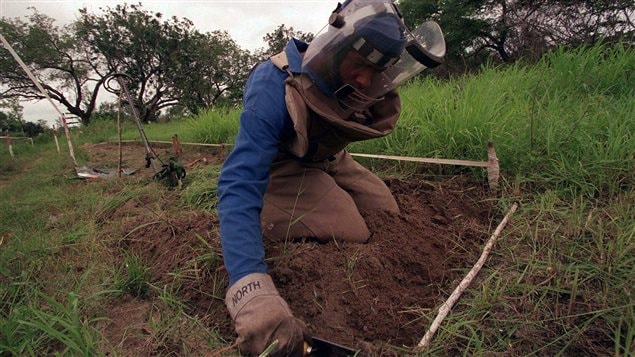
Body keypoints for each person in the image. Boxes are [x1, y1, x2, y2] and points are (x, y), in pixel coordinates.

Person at [217, 0, 445, 355]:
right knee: (353, 228)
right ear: (338, 47)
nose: (366, 80)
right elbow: (239, 181)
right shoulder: (271, 85)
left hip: (330, 158)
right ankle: (263, 216)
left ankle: (317, 194)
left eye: (378, 70)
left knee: (386, 211)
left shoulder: (360, 80)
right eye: (361, 65)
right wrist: (251, 287)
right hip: (283, 165)